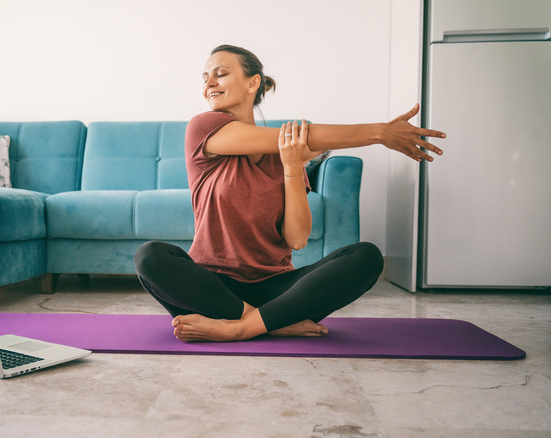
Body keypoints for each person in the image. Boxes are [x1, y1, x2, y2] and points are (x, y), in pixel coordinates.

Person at [134, 44, 445, 342]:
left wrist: (293, 167)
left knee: (366, 257)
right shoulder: (203, 128)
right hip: (212, 289)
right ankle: (268, 322)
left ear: (252, 82)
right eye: (205, 78)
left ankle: (239, 329)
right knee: (150, 256)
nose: (209, 83)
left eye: (221, 74)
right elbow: (306, 134)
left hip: (278, 289)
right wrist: (381, 133)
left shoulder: (285, 154)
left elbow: (296, 239)